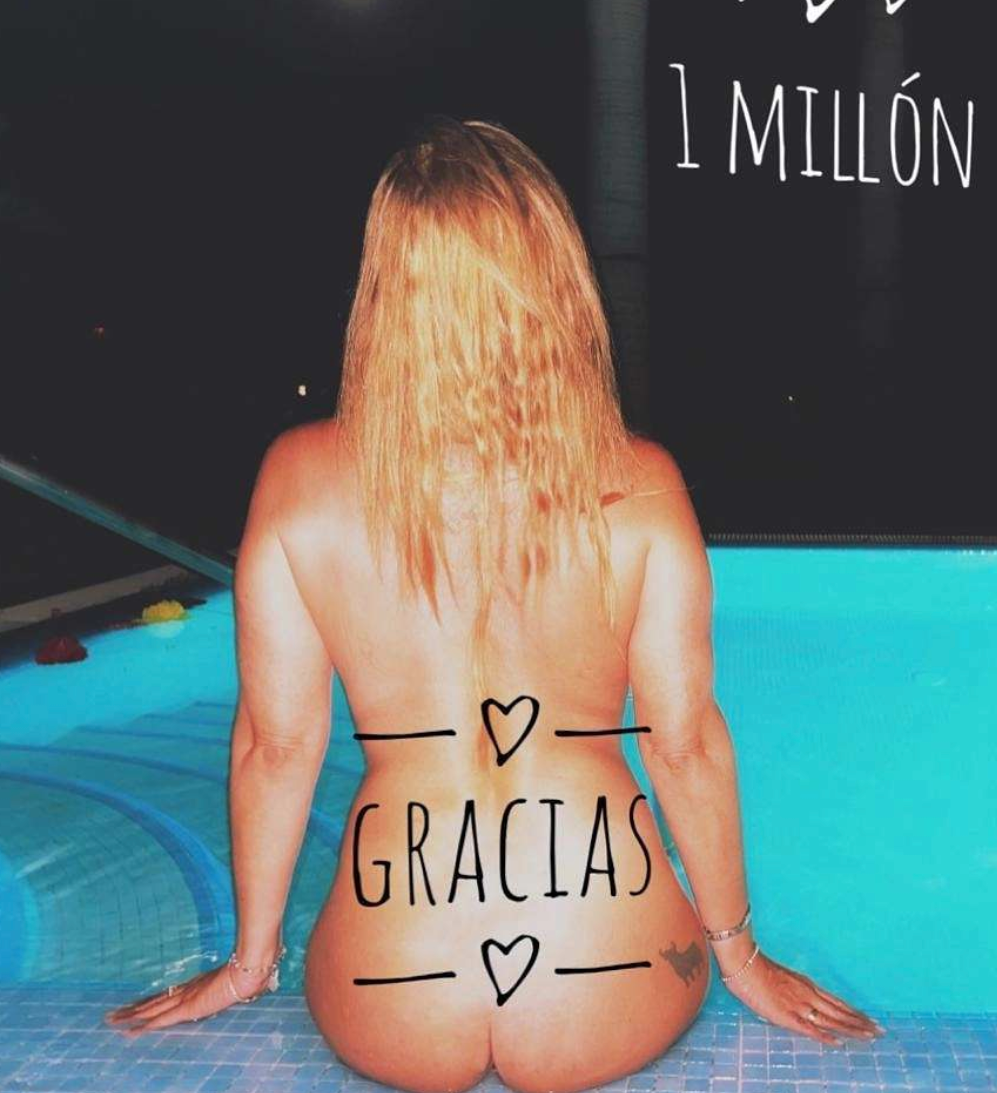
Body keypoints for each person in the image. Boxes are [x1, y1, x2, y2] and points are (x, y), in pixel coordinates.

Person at [106, 117, 883, 1093]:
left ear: (384, 290)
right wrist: (739, 956)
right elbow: (682, 746)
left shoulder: (299, 478)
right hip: (606, 981)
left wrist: (247, 962)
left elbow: (277, 745)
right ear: (553, 283)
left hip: (392, 993)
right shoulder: (639, 483)